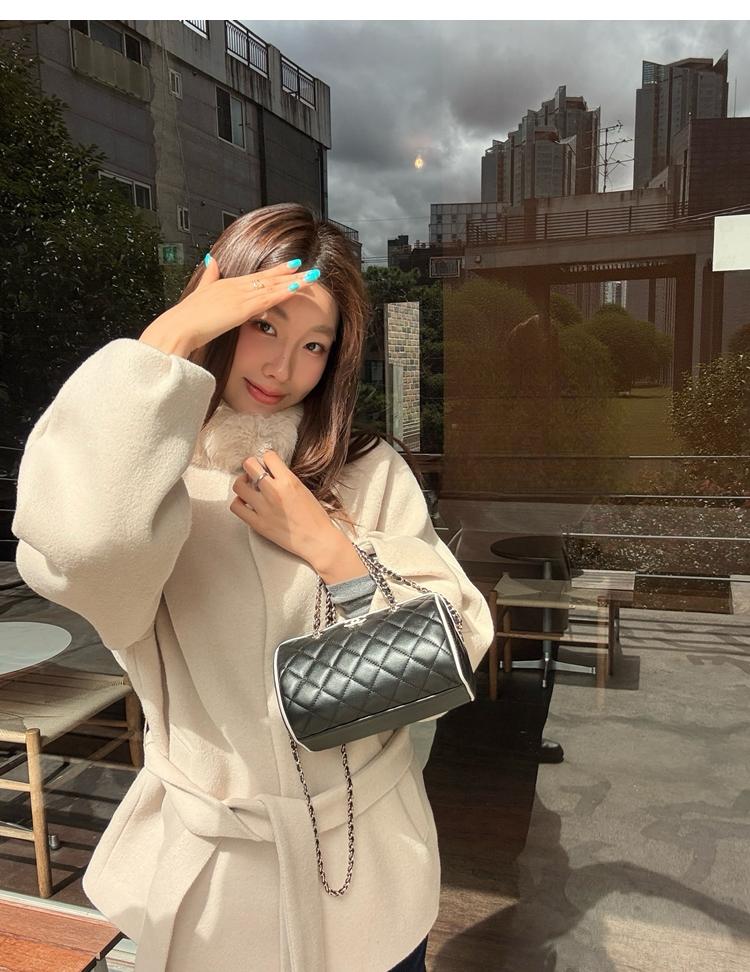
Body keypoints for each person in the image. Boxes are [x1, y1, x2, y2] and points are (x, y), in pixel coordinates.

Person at [12, 202, 495, 972]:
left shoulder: (365, 472)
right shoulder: (148, 482)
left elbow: (453, 648)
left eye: (314, 344)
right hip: (212, 877)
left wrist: (331, 548)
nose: (281, 367)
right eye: (264, 325)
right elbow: (86, 549)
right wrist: (165, 342)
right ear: (220, 311)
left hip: (366, 870)